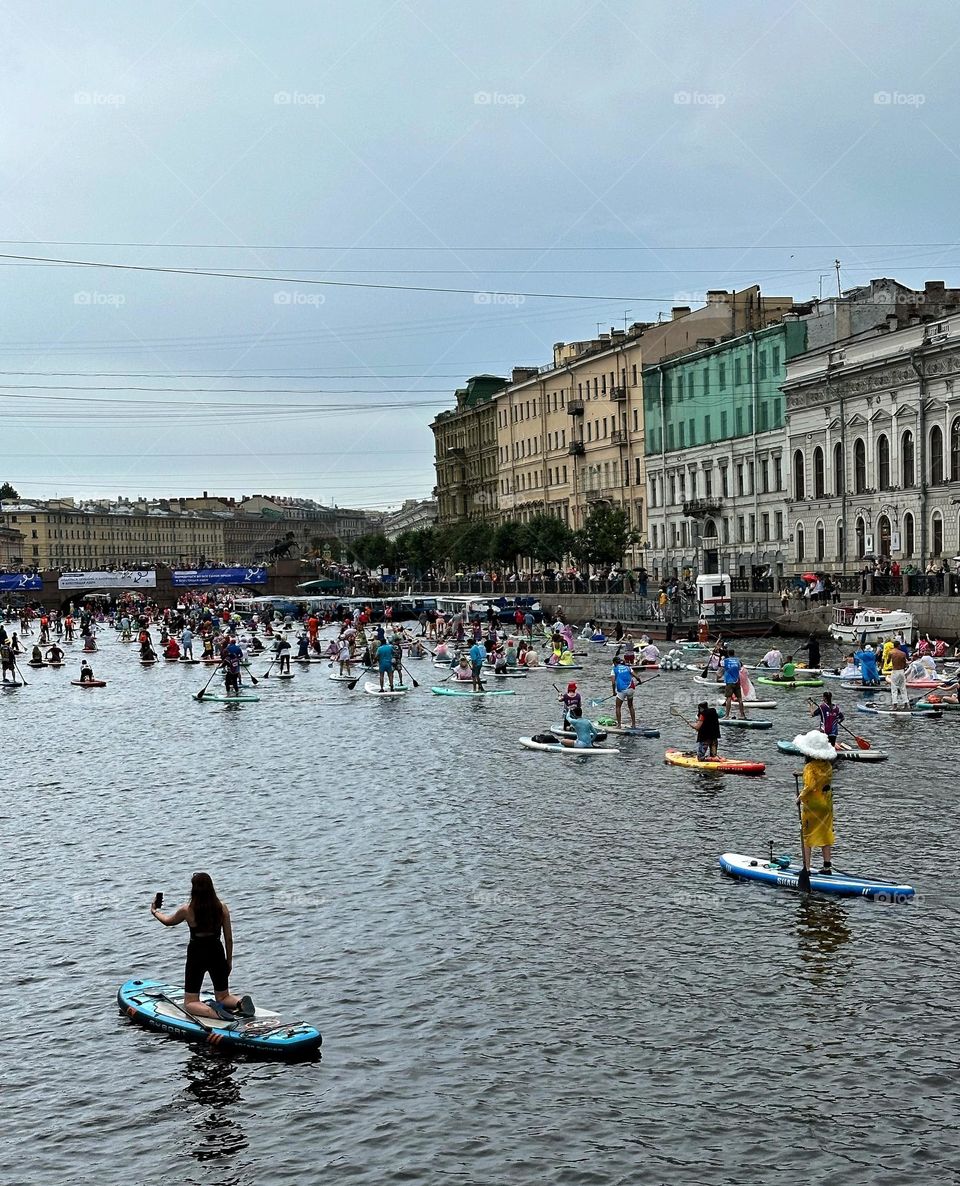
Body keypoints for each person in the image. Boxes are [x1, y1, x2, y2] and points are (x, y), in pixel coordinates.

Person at [150, 871, 253, 1020]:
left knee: (190, 1002)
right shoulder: (222, 907)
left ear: (194, 890)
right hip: (217, 951)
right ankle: (240, 1002)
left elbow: (167, 921)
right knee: (223, 996)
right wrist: (228, 961)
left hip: (197, 954)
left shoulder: (187, 910)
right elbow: (229, 938)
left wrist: (154, 911)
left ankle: (214, 1013)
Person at [793, 730, 837, 875]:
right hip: (827, 804)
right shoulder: (828, 766)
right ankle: (827, 866)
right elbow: (820, 778)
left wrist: (800, 797)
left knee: (806, 835)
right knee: (825, 831)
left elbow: (810, 785)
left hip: (813, 806)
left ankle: (806, 868)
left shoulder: (809, 767)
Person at [720, 648, 747, 720]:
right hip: (737, 681)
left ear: (728, 654)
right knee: (740, 698)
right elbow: (739, 668)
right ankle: (742, 715)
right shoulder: (737, 661)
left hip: (729, 682)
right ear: (734, 653)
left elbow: (721, 668)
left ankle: (727, 715)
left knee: (728, 698)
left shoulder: (725, 661)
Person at [611, 656, 637, 728]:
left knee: (618, 707)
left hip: (621, 690)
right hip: (631, 689)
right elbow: (636, 676)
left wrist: (614, 692)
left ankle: (619, 725)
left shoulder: (614, 669)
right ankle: (634, 724)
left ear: (614, 663)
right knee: (631, 706)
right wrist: (639, 681)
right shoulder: (628, 667)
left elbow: (613, 683)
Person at [888, 643, 909, 708]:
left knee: (894, 688)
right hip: (902, 671)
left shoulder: (891, 653)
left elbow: (888, 662)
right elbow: (905, 664)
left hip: (895, 671)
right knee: (903, 688)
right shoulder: (903, 653)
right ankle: (906, 704)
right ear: (898, 646)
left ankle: (895, 705)